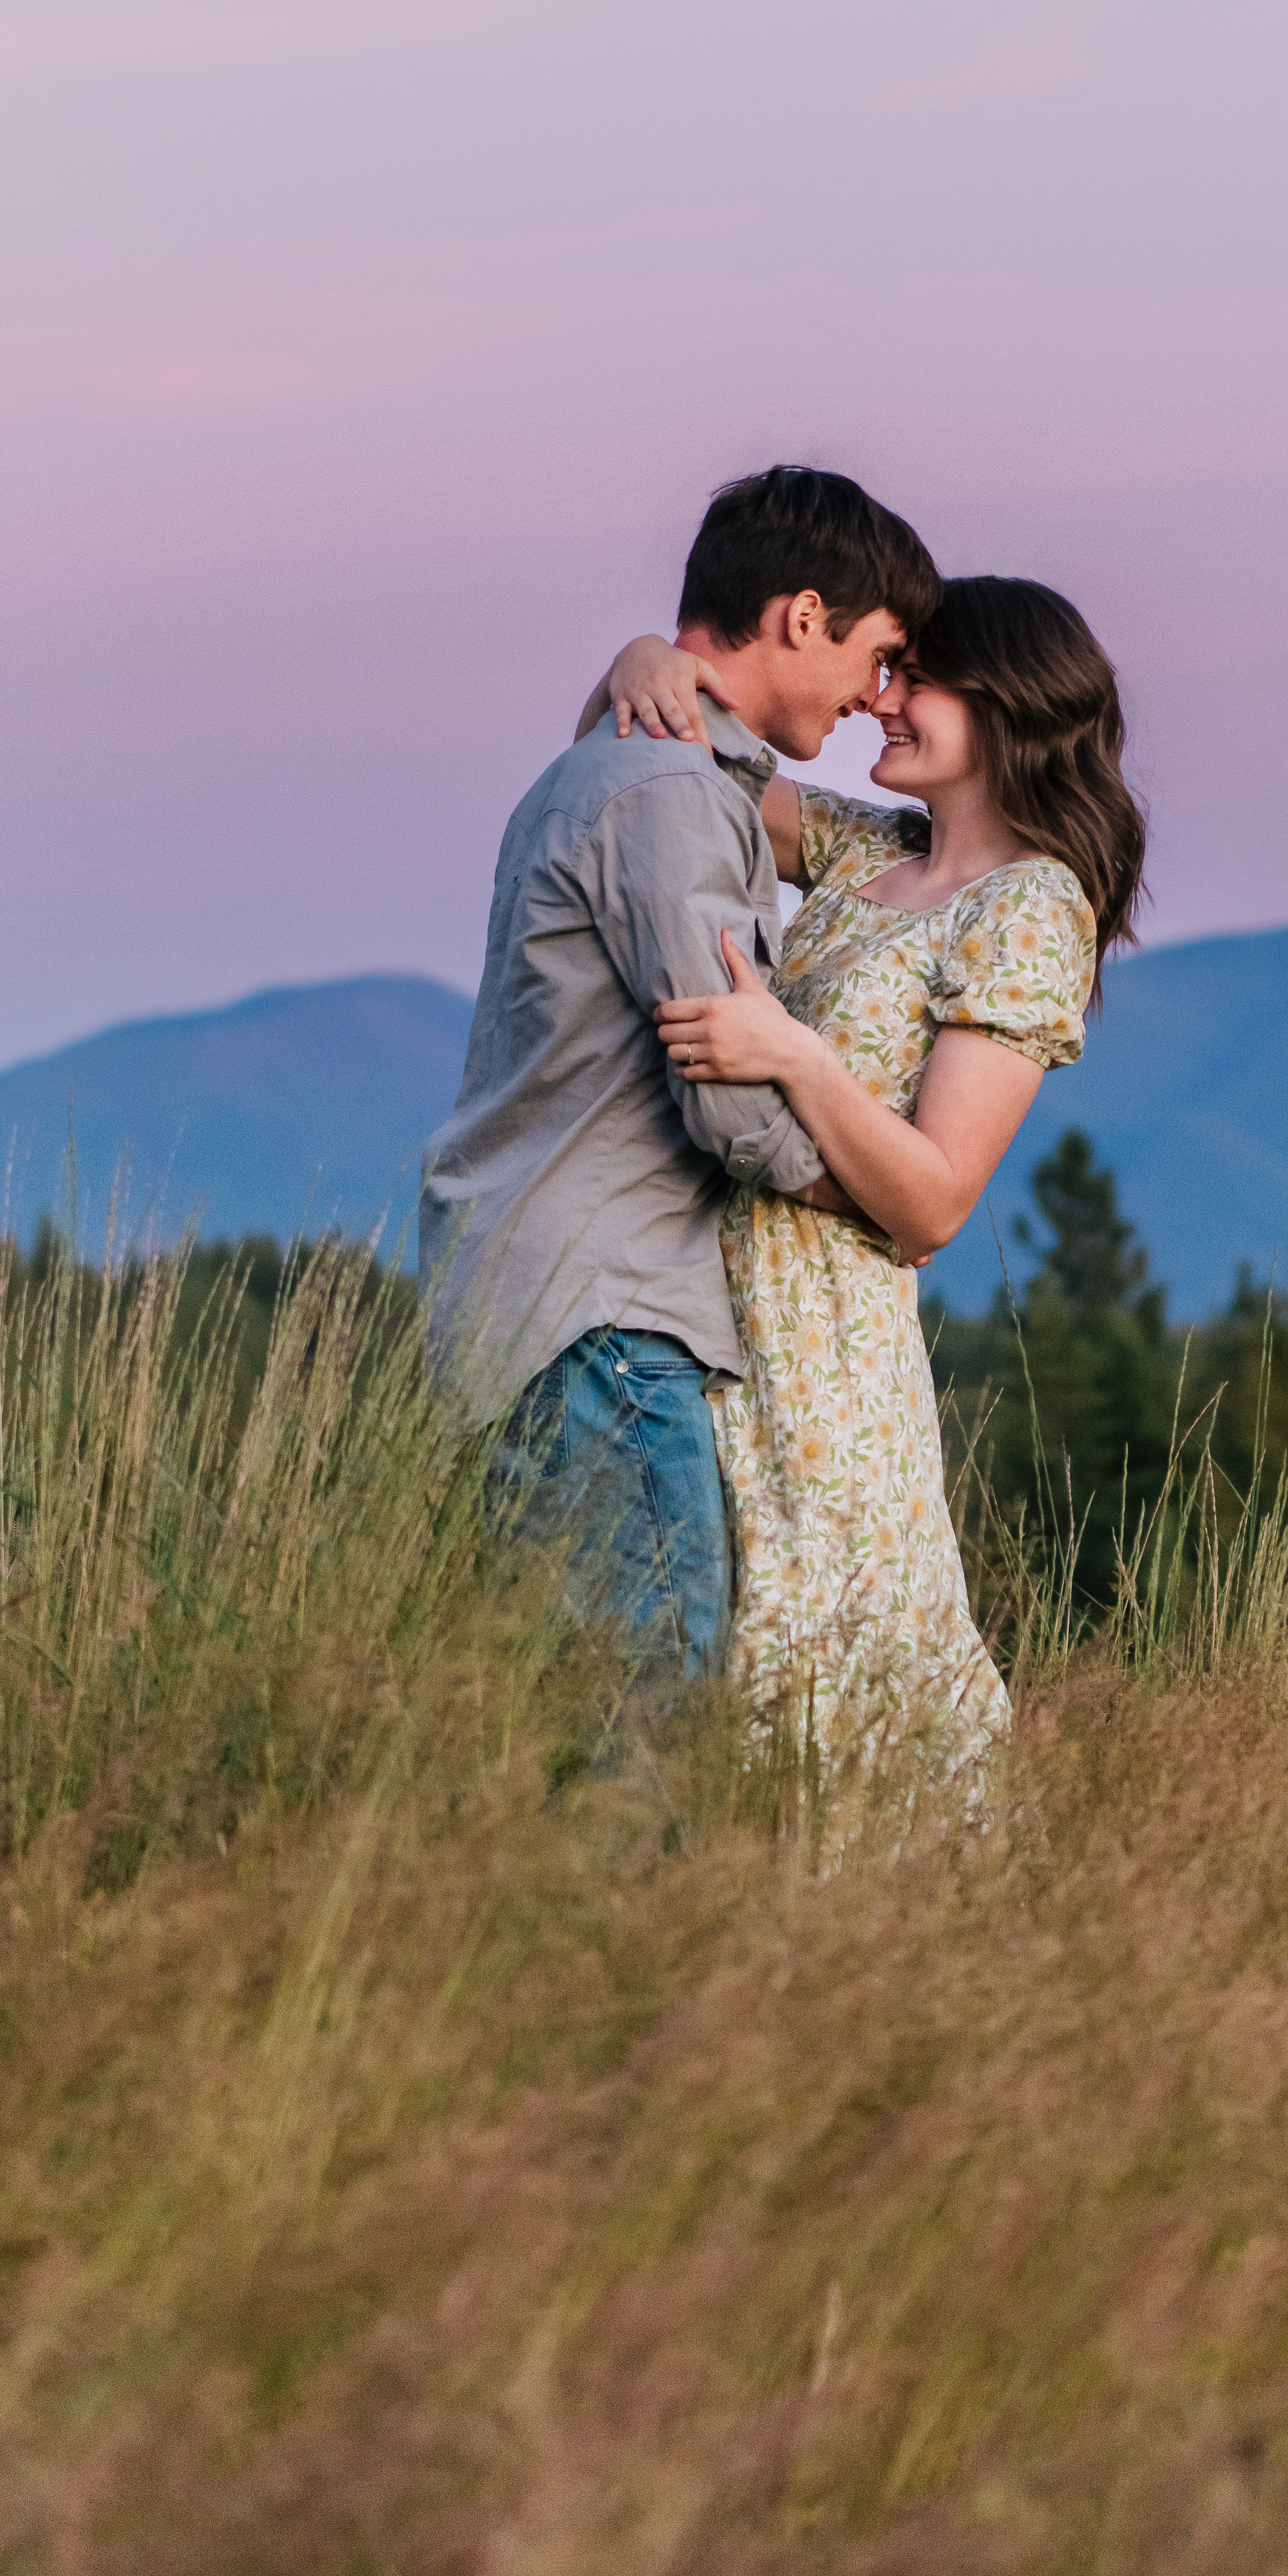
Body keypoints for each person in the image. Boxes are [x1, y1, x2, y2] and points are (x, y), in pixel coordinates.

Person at [595, 574, 1145, 1794]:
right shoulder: (868, 851)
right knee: (699, 1656)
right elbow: (675, 767)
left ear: (1007, 702)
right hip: (707, 1301)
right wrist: (645, 657)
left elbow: (939, 1198)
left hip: (826, 1351)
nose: (880, 700)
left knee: (825, 1670)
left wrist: (793, 1054)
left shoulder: (1031, 905)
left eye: (916, 677)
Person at [419, 466, 938, 1687]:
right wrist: (889, 1201)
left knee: (549, 1720)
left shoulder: (630, 764)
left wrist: (636, 654)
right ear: (803, 618)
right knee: (638, 1728)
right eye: (878, 655)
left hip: (541, 1307)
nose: (876, 698)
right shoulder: (670, 794)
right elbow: (728, 1099)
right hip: (603, 1321)